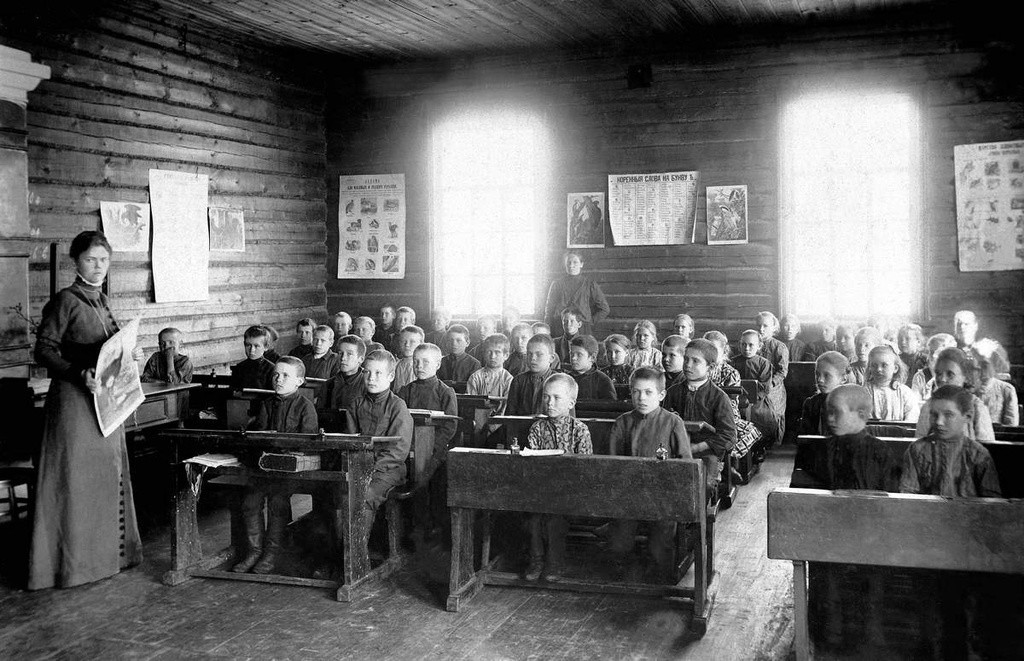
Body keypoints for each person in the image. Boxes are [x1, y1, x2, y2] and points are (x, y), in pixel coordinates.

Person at [29, 230, 143, 590]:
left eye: (104, 260)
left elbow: (106, 347)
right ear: (75, 261)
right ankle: (73, 567)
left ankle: (107, 559)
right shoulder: (66, 300)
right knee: (76, 482)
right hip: (74, 403)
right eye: (91, 260)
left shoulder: (101, 299)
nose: (98, 267)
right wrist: (80, 374)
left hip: (104, 403)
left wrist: (130, 355)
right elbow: (44, 351)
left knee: (105, 478)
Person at [232, 357, 318, 574]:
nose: (278, 380)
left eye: (286, 376)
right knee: (250, 502)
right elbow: (259, 436)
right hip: (265, 467)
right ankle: (254, 551)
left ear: (299, 381)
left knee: (277, 504)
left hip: (291, 470)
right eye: (276, 375)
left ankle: (272, 553)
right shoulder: (266, 404)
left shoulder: (305, 407)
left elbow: (307, 443)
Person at [607, 367, 691, 581]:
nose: (641, 397)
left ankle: (660, 578)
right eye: (636, 392)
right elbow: (612, 464)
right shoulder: (622, 422)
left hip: (663, 495)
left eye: (648, 392)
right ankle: (625, 572)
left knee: (659, 547)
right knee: (619, 545)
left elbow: (685, 465)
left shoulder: (673, 423)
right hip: (628, 494)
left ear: (661, 395)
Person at [523, 374, 593, 581]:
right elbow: (531, 460)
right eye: (546, 397)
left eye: (556, 397)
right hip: (541, 489)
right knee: (532, 517)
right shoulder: (537, 427)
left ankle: (555, 563)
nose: (549, 402)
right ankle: (536, 560)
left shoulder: (579, 430)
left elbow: (586, 467)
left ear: (571, 402)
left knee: (555, 519)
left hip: (570, 491)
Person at [345, 350, 414, 535]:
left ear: (390, 376)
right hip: (358, 467)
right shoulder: (356, 404)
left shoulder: (397, 406)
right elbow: (350, 441)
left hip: (388, 470)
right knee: (340, 494)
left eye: (378, 373)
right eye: (367, 372)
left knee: (364, 495)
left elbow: (398, 450)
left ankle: (357, 557)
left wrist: (372, 468)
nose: (371, 378)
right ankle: (342, 551)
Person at [397, 343, 458, 541]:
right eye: (416, 362)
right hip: (408, 447)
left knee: (428, 475)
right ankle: (409, 525)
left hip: (435, 450)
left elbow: (450, 426)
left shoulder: (445, 392)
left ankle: (430, 526)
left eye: (425, 362)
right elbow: (398, 420)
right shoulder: (405, 391)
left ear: (438, 364)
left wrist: (432, 448)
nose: (419, 366)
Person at [901, 385, 1001, 497]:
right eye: (934, 414)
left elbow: (992, 502)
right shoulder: (917, 450)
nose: (939, 422)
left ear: (967, 417)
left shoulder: (978, 454)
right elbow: (908, 494)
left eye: (948, 415)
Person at [665, 338, 737, 493]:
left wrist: (695, 447)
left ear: (710, 367)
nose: (688, 365)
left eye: (695, 361)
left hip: (706, 454)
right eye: (686, 359)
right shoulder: (672, 392)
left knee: (701, 486)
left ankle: (698, 515)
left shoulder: (719, 397)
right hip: (675, 451)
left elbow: (728, 435)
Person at [803, 384, 899, 490]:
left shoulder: (880, 451)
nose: (829, 418)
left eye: (836, 412)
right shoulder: (821, 449)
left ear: (860, 414)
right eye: (829, 412)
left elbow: (890, 494)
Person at [704, 330, 762, 460]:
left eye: (714, 350)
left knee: (749, 431)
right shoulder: (700, 369)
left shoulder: (730, 373)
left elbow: (730, 402)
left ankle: (727, 460)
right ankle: (722, 463)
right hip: (702, 413)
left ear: (724, 352)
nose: (709, 354)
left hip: (725, 414)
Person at [915, 348, 995, 441]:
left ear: (965, 376)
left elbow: (987, 446)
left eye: (950, 374)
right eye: (938, 374)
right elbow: (919, 444)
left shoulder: (976, 406)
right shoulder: (928, 406)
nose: (942, 379)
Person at [543, 250, 610, 337]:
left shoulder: (589, 284)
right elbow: (549, 310)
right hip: (560, 327)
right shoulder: (557, 284)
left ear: (581, 264)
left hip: (582, 329)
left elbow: (605, 309)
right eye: (569, 262)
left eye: (575, 262)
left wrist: (589, 322)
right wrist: (546, 329)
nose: (571, 265)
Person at [734, 329, 777, 443]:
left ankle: (759, 448)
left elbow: (764, 386)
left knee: (761, 417)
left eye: (751, 345)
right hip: (736, 399)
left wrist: (754, 398)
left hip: (758, 400)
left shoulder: (764, 363)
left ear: (759, 346)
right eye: (743, 344)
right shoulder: (734, 362)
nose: (746, 348)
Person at [797, 351, 849, 436]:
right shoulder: (811, 404)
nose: (820, 380)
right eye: (817, 374)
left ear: (843, 379)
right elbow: (805, 437)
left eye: (827, 375)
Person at [755, 312, 789, 443]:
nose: (761, 329)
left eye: (765, 326)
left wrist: (770, 383)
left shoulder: (779, 346)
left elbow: (782, 371)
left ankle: (775, 448)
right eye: (759, 325)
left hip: (774, 391)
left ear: (773, 327)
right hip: (757, 390)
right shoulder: (753, 345)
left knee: (775, 418)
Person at [321, 334, 367, 429]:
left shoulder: (367, 384)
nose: (343, 358)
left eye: (349, 354)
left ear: (361, 359)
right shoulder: (329, 384)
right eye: (340, 353)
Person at [864, 345, 919, 421]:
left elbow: (912, 416)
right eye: (874, 365)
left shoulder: (904, 392)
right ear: (870, 368)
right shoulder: (864, 391)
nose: (879, 369)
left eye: (884, 365)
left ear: (895, 368)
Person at [507, 334, 557, 416]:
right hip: (522, 427)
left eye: (539, 354)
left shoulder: (559, 381)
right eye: (529, 354)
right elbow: (510, 415)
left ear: (551, 358)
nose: (533, 358)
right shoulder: (518, 381)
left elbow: (567, 419)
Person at [467, 334, 513, 410]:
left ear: (506, 355)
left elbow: (507, 406)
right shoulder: (476, 377)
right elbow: (470, 402)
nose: (492, 356)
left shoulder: (508, 379)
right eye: (489, 352)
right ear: (484, 353)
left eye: (497, 352)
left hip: (500, 419)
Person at [566, 334, 615, 400]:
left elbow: (609, 407)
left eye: (579, 354)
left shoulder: (603, 380)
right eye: (571, 354)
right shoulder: (565, 378)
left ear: (592, 357)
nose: (573, 358)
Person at [911, 333, 957, 400]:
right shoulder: (920, 377)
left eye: (938, 352)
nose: (933, 356)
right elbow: (915, 404)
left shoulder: (957, 376)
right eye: (931, 352)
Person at [977, 354, 1019, 426]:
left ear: (995, 366)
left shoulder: (1006, 389)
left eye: (985, 365)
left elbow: (1011, 425)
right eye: (977, 364)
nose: (979, 368)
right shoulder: (967, 388)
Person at [231, 325, 275, 390]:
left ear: (266, 347)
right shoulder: (239, 368)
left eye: (256, 346)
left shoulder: (271, 369)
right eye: (248, 345)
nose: (252, 350)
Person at [391, 325, 423, 391]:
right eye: (403, 341)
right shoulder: (397, 364)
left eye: (412, 342)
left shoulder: (421, 366)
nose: (407, 345)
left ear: (421, 344)